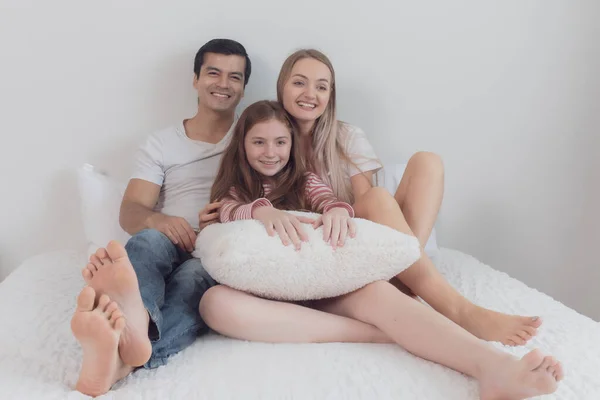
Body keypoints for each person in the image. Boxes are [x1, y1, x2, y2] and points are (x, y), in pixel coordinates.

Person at [205, 99, 563, 400]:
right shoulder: (238, 189)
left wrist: (336, 211)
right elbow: (228, 210)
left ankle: (495, 368)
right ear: (242, 146)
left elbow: (331, 200)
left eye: (280, 142)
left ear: (292, 146)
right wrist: (262, 211)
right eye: (259, 143)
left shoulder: (304, 178)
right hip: (270, 295)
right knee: (213, 304)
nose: (271, 153)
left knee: (377, 293)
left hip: (323, 286)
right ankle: (377, 334)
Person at [200, 49, 542, 347]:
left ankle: (417, 286)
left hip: (358, 235)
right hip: (313, 255)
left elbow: (368, 206)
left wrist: (337, 209)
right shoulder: (268, 134)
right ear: (282, 87)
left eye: (322, 86)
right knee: (377, 198)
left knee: (422, 165)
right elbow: (230, 202)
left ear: (331, 95)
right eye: (299, 82)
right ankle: (440, 301)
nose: (310, 93)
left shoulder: (345, 136)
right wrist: (227, 215)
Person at [69, 38, 251, 396]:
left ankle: (120, 355)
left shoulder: (253, 138)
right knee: (146, 243)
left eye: (235, 77)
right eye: (213, 72)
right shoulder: (161, 143)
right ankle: (136, 324)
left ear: (244, 88)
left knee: (194, 282)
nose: (223, 83)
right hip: (168, 238)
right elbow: (131, 210)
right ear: (195, 79)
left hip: (215, 248)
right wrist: (160, 221)